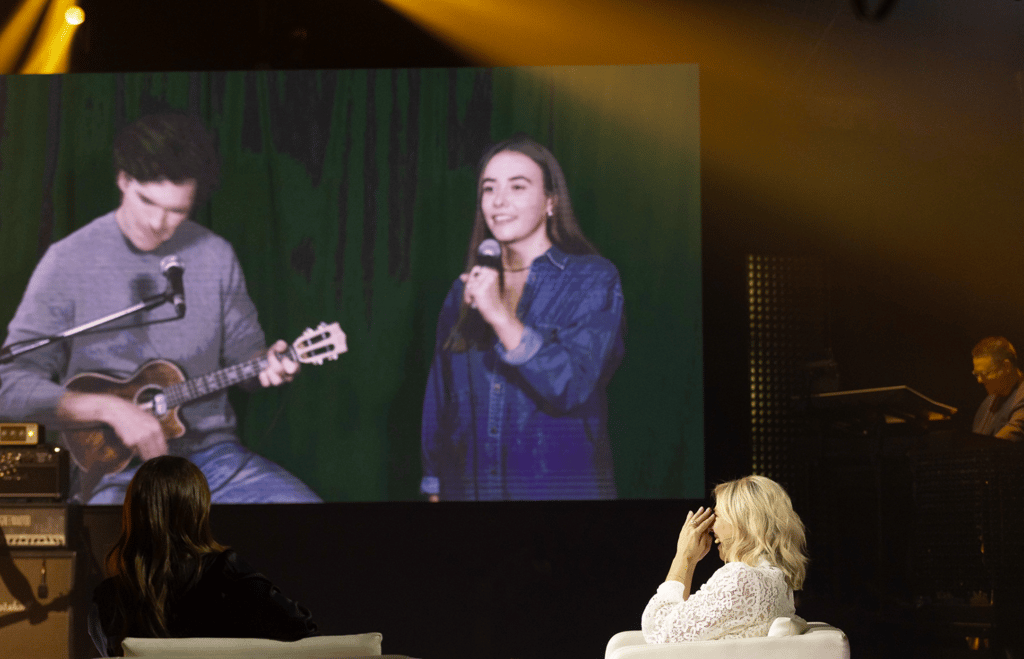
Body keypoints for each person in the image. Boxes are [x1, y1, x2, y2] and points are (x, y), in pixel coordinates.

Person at [0, 113, 320, 504]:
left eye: (176, 211)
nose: (156, 222)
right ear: (123, 181)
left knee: (310, 520)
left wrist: (269, 363)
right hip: (114, 474)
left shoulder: (215, 255)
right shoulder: (67, 261)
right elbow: (10, 383)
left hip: (215, 463)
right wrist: (109, 409)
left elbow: (247, 359)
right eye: (146, 201)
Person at [420, 135, 625, 501]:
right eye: (488, 189)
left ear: (550, 201)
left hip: (557, 494)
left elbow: (572, 384)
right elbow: (441, 396)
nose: (499, 201)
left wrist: (500, 316)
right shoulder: (464, 289)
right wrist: (434, 485)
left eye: (517, 186)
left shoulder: (593, 278)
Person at [88, 456, 317, 657]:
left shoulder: (106, 598)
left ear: (133, 510)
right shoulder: (224, 572)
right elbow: (300, 627)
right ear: (197, 509)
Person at [641, 475, 808, 643]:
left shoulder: (741, 578)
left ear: (743, 523)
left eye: (717, 515)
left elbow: (658, 632)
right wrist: (690, 563)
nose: (711, 527)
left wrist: (682, 556)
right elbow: (678, 618)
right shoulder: (775, 579)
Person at [971, 336, 1024, 442]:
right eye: (977, 374)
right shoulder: (988, 402)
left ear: (1006, 366)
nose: (980, 380)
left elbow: (1004, 443)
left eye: (985, 373)